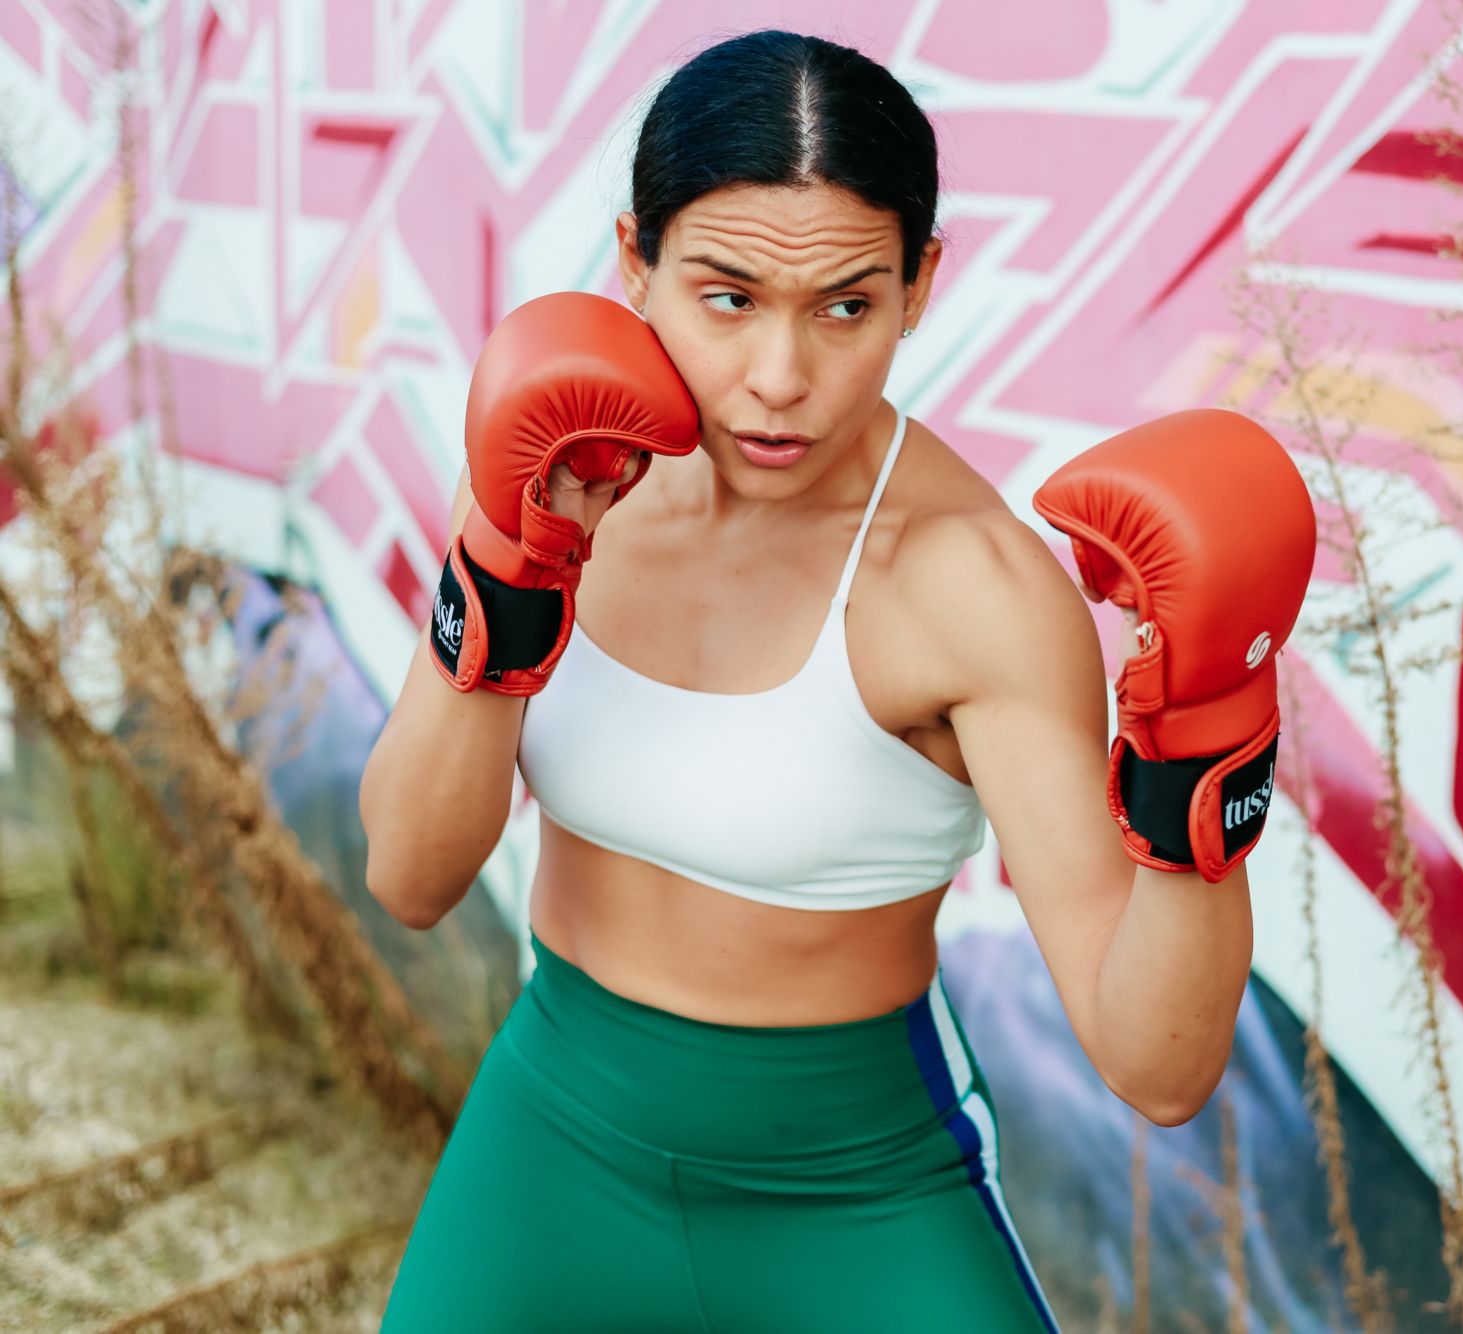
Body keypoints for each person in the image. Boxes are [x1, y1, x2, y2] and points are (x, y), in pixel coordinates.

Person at [358, 28, 1313, 1333]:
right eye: (728, 295)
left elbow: (1158, 1065)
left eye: (847, 305)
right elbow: (410, 873)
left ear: (922, 284)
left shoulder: (971, 585)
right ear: (634, 262)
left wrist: (1209, 741)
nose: (781, 379)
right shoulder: (561, 473)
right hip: (553, 1140)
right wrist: (509, 565)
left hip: (859, 1192)